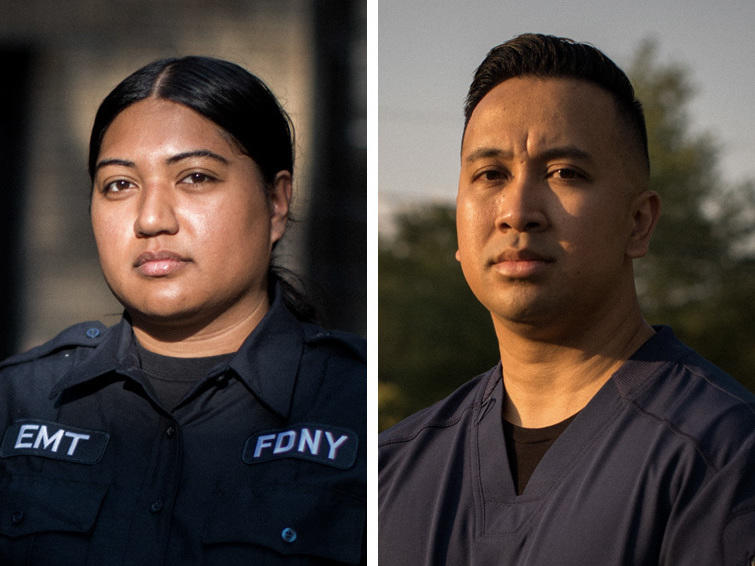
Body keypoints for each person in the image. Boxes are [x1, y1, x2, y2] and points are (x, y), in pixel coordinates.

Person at [379, 34, 754, 565]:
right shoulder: (389, 473)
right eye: (491, 175)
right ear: (458, 227)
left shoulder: (723, 454)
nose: (517, 211)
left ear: (638, 222)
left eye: (564, 173)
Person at [0, 56, 365, 565]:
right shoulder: (20, 402)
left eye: (194, 177)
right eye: (119, 185)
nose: (151, 219)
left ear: (277, 202)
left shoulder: (362, 407)